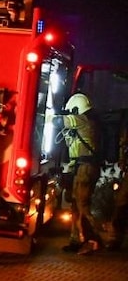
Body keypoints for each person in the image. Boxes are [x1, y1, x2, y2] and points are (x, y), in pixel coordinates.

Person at [56, 92, 101, 254]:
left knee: (82, 205)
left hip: (86, 168)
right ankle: (76, 240)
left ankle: (93, 240)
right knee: (75, 205)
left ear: (76, 109)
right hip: (80, 167)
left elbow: (58, 121)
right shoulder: (85, 122)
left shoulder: (83, 120)